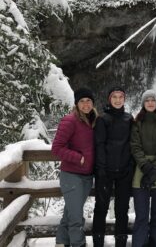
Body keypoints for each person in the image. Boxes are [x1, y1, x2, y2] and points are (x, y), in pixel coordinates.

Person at [52, 87, 98, 247]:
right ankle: (78, 243)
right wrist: (79, 158)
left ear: (93, 103)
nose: (86, 104)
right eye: (82, 101)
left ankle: (61, 242)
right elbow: (56, 148)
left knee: (70, 213)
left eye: (89, 101)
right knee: (76, 217)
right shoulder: (70, 120)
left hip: (86, 175)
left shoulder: (93, 120)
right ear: (77, 104)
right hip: (71, 175)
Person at [93, 86, 134, 247]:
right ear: (109, 99)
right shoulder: (103, 119)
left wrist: (130, 166)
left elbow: (132, 144)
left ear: (124, 99)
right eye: (114, 97)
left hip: (124, 171)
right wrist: (102, 169)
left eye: (120, 97)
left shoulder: (129, 119)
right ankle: (98, 242)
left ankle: (121, 243)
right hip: (106, 172)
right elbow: (99, 145)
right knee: (101, 207)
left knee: (122, 209)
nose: (118, 100)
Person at [131, 89, 156, 247]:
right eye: (147, 100)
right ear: (143, 103)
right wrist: (146, 167)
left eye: (153, 100)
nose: (150, 102)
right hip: (141, 170)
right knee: (141, 216)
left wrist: (155, 169)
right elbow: (135, 146)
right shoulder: (136, 122)